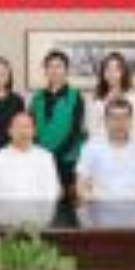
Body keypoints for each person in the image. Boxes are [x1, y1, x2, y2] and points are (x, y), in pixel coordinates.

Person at [76, 98, 135, 201]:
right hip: (100, 205)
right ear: (105, 121)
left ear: (131, 120)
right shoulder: (91, 147)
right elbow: (80, 188)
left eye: (125, 117)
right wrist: (94, 202)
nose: (120, 122)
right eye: (114, 117)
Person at [29, 50, 85, 190]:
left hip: (67, 159)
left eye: (59, 66)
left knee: (64, 199)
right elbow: (31, 127)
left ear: (66, 70)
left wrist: (56, 154)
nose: (54, 71)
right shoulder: (37, 97)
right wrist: (41, 152)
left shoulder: (75, 96)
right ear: (45, 70)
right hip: (40, 158)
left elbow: (75, 130)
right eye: (50, 66)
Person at [0, 111, 61, 201]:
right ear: (10, 131)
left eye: (27, 127)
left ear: (34, 131)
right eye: (18, 127)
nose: (23, 131)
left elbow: (52, 192)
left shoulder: (46, 158)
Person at [87, 52, 135, 138]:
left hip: (127, 143)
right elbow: (91, 128)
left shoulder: (134, 97)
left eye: (116, 70)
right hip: (100, 142)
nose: (112, 74)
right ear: (103, 73)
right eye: (108, 69)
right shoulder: (95, 97)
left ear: (123, 73)